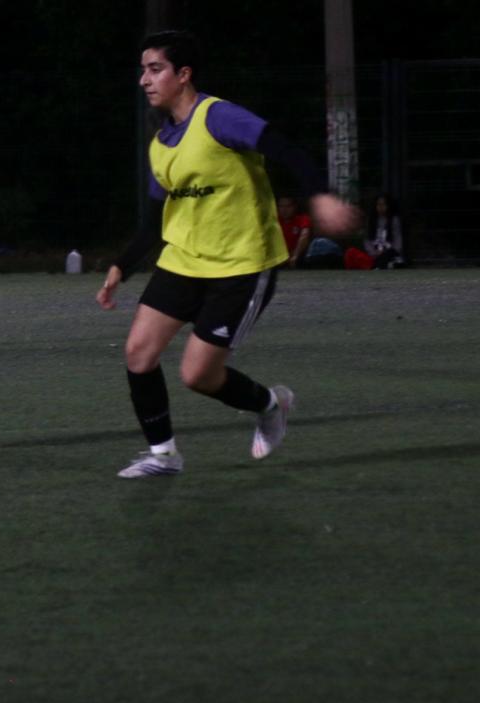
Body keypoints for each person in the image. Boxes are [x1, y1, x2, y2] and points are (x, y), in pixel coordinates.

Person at [96, 30, 359, 478]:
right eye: (142, 70)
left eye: (155, 69)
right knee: (138, 352)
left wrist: (321, 197)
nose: (144, 80)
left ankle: (270, 404)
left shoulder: (218, 117)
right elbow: (157, 219)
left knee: (198, 376)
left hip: (240, 266)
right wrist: (123, 264)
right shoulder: (161, 143)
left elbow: (286, 149)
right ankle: (163, 455)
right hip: (183, 261)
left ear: (184, 74)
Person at [363, 193, 405, 269]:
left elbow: (398, 242)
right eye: (378, 204)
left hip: (389, 254)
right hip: (373, 256)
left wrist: (385, 252)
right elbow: (367, 241)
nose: (381, 207)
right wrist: (374, 253)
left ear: (388, 206)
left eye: (383, 204)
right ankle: (380, 265)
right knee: (351, 253)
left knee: (395, 259)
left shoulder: (394, 220)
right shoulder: (371, 220)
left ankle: (379, 265)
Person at [277, 195, 311, 268]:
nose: (284, 210)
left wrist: (295, 256)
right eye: (281, 206)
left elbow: (305, 235)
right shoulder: (274, 221)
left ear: (294, 207)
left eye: (288, 206)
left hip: (297, 256)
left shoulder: (302, 219)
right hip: (278, 257)